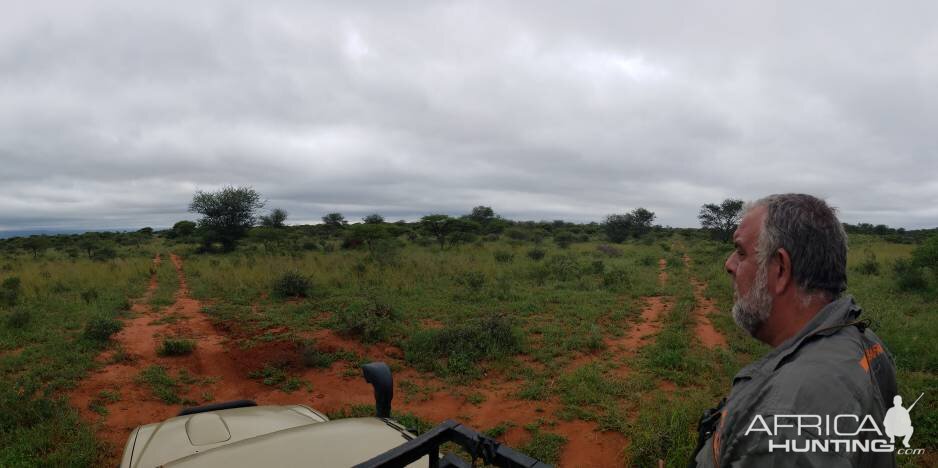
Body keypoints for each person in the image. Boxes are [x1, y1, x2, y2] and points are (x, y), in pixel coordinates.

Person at [690, 194, 897, 467]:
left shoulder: (782, 424)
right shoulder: (861, 339)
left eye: (741, 252)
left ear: (781, 269)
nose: (729, 264)